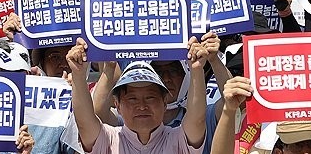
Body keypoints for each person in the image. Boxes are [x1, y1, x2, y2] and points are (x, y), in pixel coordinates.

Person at [67, 37, 209, 154]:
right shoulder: (108, 139)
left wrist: (196, 70)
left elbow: (197, 120)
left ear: (164, 102)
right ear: (117, 105)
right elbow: (84, 123)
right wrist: (78, 75)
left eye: (150, 98)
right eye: (132, 99)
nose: (142, 106)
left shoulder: (178, 140)